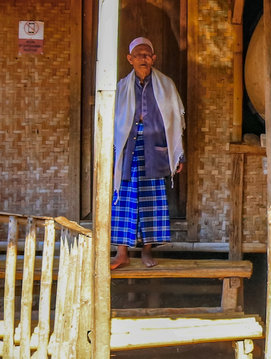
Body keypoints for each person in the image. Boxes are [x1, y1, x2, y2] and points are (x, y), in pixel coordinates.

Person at [110, 37, 185, 270]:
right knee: (124, 196)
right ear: (129, 59)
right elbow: (114, 120)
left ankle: (146, 251)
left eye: (147, 55)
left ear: (153, 59)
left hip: (155, 148)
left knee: (152, 199)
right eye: (138, 55)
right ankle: (121, 253)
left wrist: (178, 154)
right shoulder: (121, 86)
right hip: (127, 148)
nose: (143, 58)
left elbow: (177, 119)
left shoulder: (166, 85)